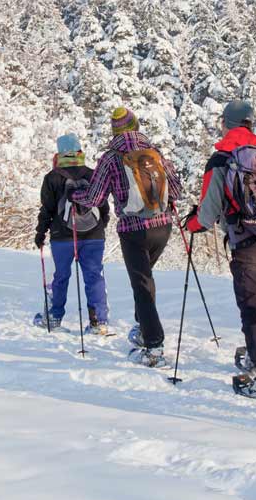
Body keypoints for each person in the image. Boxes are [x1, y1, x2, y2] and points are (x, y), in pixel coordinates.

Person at [185, 100, 256, 401]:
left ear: (226, 123)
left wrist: (193, 224)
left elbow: (208, 213)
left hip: (246, 240)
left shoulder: (222, 159)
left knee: (252, 305)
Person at [72, 107, 182, 367]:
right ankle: (145, 328)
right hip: (162, 227)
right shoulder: (155, 153)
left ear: (115, 131)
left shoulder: (111, 158)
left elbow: (94, 198)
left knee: (141, 285)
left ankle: (153, 346)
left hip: (133, 230)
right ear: (136, 126)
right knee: (146, 279)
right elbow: (176, 189)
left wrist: (74, 197)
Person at [34, 134, 112, 333]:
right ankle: (99, 322)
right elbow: (103, 206)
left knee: (61, 276)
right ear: (79, 151)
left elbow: (47, 209)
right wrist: (100, 225)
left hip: (63, 236)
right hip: (94, 235)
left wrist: (41, 232)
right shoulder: (93, 174)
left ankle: (54, 317)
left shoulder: (52, 177)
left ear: (59, 152)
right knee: (94, 276)